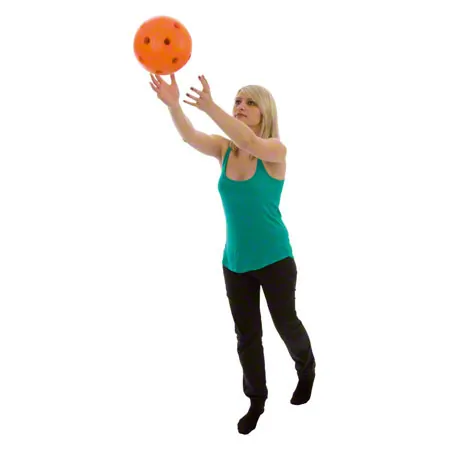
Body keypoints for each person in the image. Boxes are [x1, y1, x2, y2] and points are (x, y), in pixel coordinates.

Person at [149, 73, 316, 435]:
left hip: (275, 260)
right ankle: (256, 400)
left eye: (249, 102)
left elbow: (249, 141)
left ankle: (306, 369)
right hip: (235, 263)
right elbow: (190, 135)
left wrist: (210, 106)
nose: (240, 106)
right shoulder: (224, 149)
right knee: (247, 336)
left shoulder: (275, 150)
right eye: (237, 100)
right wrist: (174, 105)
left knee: (285, 324)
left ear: (264, 111)